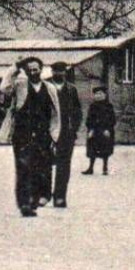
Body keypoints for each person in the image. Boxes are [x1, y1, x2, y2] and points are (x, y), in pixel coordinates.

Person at [0, 56, 59, 217]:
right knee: (24, 168)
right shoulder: (20, 86)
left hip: (43, 134)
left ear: (41, 69)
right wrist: (15, 68)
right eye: (30, 70)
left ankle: (40, 197)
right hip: (22, 133)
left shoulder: (50, 88)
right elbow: (4, 88)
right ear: (26, 71)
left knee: (43, 168)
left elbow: (55, 114)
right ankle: (25, 204)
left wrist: (55, 135)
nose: (33, 72)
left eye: (36, 69)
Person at [49, 62, 82, 209]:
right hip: (48, 132)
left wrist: (74, 128)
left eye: (62, 71)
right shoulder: (45, 87)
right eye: (56, 71)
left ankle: (60, 196)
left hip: (66, 133)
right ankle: (44, 193)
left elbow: (77, 111)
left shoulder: (71, 89)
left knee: (64, 165)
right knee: (44, 163)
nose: (59, 74)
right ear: (52, 71)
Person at [82, 85, 117, 175]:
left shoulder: (109, 106)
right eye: (96, 94)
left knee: (105, 149)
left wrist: (108, 129)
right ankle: (90, 168)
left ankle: (105, 168)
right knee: (92, 149)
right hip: (94, 131)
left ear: (105, 95)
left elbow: (112, 119)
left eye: (100, 94)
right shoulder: (92, 106)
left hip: (105, 131)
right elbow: (89, 119)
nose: (98, 95)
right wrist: (90, 129)